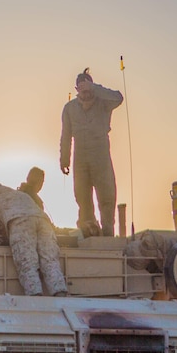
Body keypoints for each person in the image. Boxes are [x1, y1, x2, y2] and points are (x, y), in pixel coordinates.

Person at [59, 68, 124, 237]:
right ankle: (89, 235)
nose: (87, 94)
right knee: (82, 198)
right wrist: (64, 159)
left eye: (89, 90)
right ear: (77, 90)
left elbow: (119, 98)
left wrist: (96, 88)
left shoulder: (103, 102)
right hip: (80, 157)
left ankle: (108, 235)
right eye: (83, 90)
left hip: (100, 154)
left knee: (106, 197)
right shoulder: (70, 108)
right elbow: (66, 135)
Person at [0, 175, 68, 296]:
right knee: (50, 260)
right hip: (43, 221)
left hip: (20, 221)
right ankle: (60, 295)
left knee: (27, 262)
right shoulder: (19, 194)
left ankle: (35, 299)